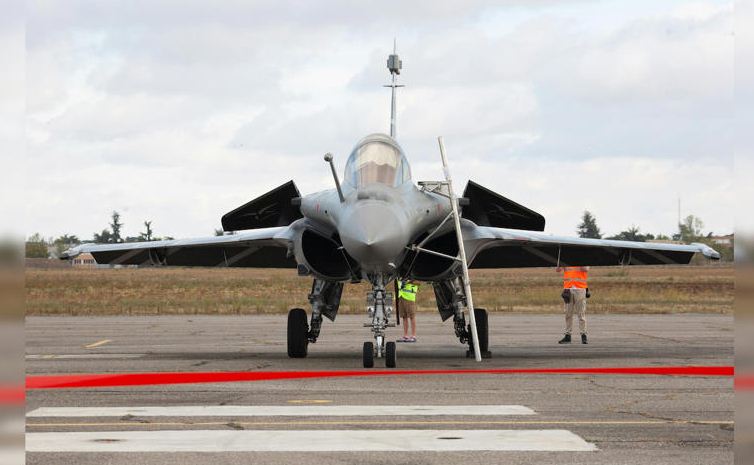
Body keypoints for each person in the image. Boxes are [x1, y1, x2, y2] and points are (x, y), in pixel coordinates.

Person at [557, 266, 590, 344]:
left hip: (580, 288)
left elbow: (586, 269)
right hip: (568, 289)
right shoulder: (566, 260)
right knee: (568, 314)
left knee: (581, 314)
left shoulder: (584, 259)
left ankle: (583, 335)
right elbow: (558, 270)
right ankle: (568, 335)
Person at [396, 278, 419, 343]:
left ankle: (413, 336)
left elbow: (418, 282)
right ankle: (405, 335)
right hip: (401, 296)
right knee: (404, 317)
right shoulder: (399, 274)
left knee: (412, 317)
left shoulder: (412, 274)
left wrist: (408, 282)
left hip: (409, 297)